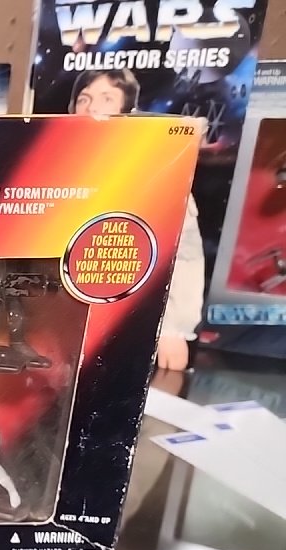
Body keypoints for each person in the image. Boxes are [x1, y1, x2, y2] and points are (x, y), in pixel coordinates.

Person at [70, 69, 204, 371]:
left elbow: (184, 255)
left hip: (129, 324)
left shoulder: (155, 170)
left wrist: (173, 328)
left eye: (107, 98)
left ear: (127, 109)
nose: (92, 107)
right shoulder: (52, 164)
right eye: (84, 99)